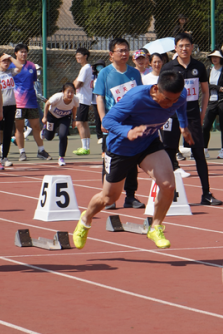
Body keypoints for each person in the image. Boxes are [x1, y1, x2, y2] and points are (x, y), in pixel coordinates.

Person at [72, 72, 189, 250]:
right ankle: (85, 219)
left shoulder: (180, 96)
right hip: (121, 148)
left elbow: (180, 106)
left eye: (174, 100)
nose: (169, 104)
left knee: (168, 185)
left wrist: (183, 125)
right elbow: (107, 121)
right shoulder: (136, 98)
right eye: (166, 99)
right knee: (109, 197)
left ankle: (155, 227)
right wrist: (128, 132)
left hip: (148, 143)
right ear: (155, 89)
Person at [162, 33, 221, 205]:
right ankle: (166, 194)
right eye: (181, 46)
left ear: (192, 47)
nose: (184, 49)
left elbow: (205, 92)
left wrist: (202, 114)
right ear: (175, 48)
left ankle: (206, 194)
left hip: (193, 115)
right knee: (168, 154)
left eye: (187, 45)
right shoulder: (168, 68)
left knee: (199, 154)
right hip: (172, 116)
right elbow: (162, 93)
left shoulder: (199, 67)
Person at [94, 39, 146, 208]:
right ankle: (108, 197)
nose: (124, 54)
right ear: (111, 54)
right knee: (110, 161)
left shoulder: (134, 73)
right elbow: (100, 98)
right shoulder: (104, 74)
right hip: (113, 123)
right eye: (120, 51)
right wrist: (104, 119)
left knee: (132, 159)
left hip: (131, 124)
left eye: (126, 50)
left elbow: (139, 97)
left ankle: (130, 196)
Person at [8, 44, 47, 161]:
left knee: (36, 127)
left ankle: (41, 151)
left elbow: (33, 82)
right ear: (16, 53)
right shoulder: (11, 66)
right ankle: (22, 153)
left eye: (25, 52)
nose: (23, 54)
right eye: (21, 52)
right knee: (19, 128)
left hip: (32, 102)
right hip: (18, 103)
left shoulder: (31, 66)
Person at [42, 83, 79, 166]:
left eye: (72, 92)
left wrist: (74, 120)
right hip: (52, 116)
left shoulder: (75, 99)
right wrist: (45, 117)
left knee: (63, 135)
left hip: (65, 117)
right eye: (68, 92)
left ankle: (61, 157)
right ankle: (45, 129)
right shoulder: (57, 97)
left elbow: (74, 108)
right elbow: (47, 104)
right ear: (63, 92)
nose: (70, 94)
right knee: (49, 137)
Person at [0, 53, 17, 169]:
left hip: (11, 105)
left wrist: (11, 57)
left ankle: (4, 156)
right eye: (3, 61)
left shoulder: (10, 72)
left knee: (8, 131)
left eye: (8, 61)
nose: (6, 63)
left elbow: (20, 66)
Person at [72, 47, 94, 155]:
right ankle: (86, 147)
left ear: (85, 56)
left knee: (79, 123)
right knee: (84, 123)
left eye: (79, 55)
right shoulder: (88, 68)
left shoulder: (85, 68)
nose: (77, 57)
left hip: (82, 99)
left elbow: (78, 84)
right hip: (85, 99)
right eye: (76, 55)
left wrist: (74, 83)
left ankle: (84, 147)